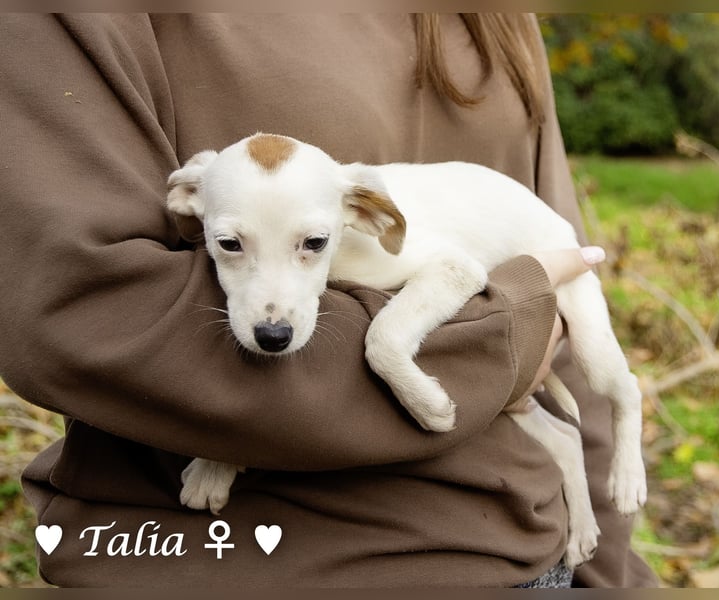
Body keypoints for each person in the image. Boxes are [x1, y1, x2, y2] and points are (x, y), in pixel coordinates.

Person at [0, 14, 657, 587]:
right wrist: (501, 341)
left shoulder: (499, 19)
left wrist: (616, 577)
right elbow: (79, 309)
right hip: (203, 566)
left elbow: (558, 300)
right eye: (230, 245)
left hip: (528, 562)